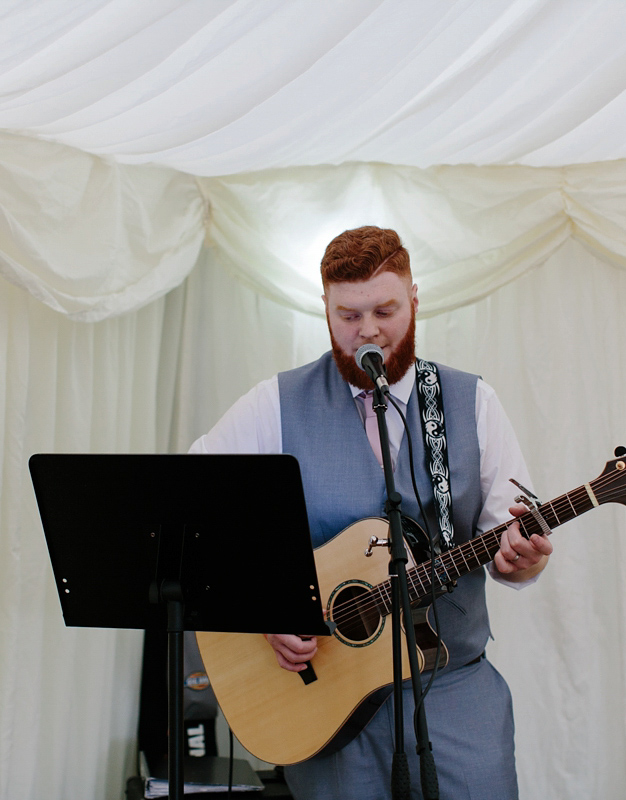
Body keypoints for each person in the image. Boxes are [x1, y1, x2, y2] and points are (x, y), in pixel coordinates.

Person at [189, 226, 552, 799]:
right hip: (320, 696)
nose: (368, 331)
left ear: (414, 298)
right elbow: (193, 505)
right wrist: (264, 606)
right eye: (348, 316)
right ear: (326, 310)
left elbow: (510, 552)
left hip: (452, 686)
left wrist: (522, 559)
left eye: (384, 310)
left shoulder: (470, 402)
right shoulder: (273, 405)